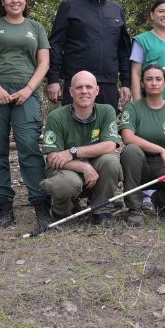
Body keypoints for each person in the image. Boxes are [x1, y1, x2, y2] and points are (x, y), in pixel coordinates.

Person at [0, 0, 52, 230]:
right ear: (2, 0)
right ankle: (4, 205)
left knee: (29, 146)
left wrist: (29, 89)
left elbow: (44, 63)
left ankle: (40, 203)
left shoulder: (35, 27)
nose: (15, 0)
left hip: (26, 92)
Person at [39, 71, 123, 226]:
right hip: (65, 170)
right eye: (79, 87)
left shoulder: (106, 111)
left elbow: (110, 145)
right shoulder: (56, 117)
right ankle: (62, 213)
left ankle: (100, 210)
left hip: (96, 169)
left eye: (89, 87)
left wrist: (73, 152)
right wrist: (84, 166)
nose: (84, 91)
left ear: (96, 90)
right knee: (68, 183)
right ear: (70, 92)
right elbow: (52, 157)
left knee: (111, 161)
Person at [46, 0, 132, 110]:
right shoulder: (69, 6)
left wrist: (126, 82)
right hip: (77, 84)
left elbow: (123, 50)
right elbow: (55, 45)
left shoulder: (117, 9)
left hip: (108, 85)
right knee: (74, 132)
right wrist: (53, 79)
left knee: (106, 132)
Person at [119, 64, 165, 225]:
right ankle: (134, 208)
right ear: (142, 83)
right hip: (140, 164)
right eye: (149, 79)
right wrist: (160, 149)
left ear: (164, 83)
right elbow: (127, 137)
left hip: (164, 165)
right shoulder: (133, 108)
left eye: (158, 79)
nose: (154, 83)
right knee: (130, 150)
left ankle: (159, 200)